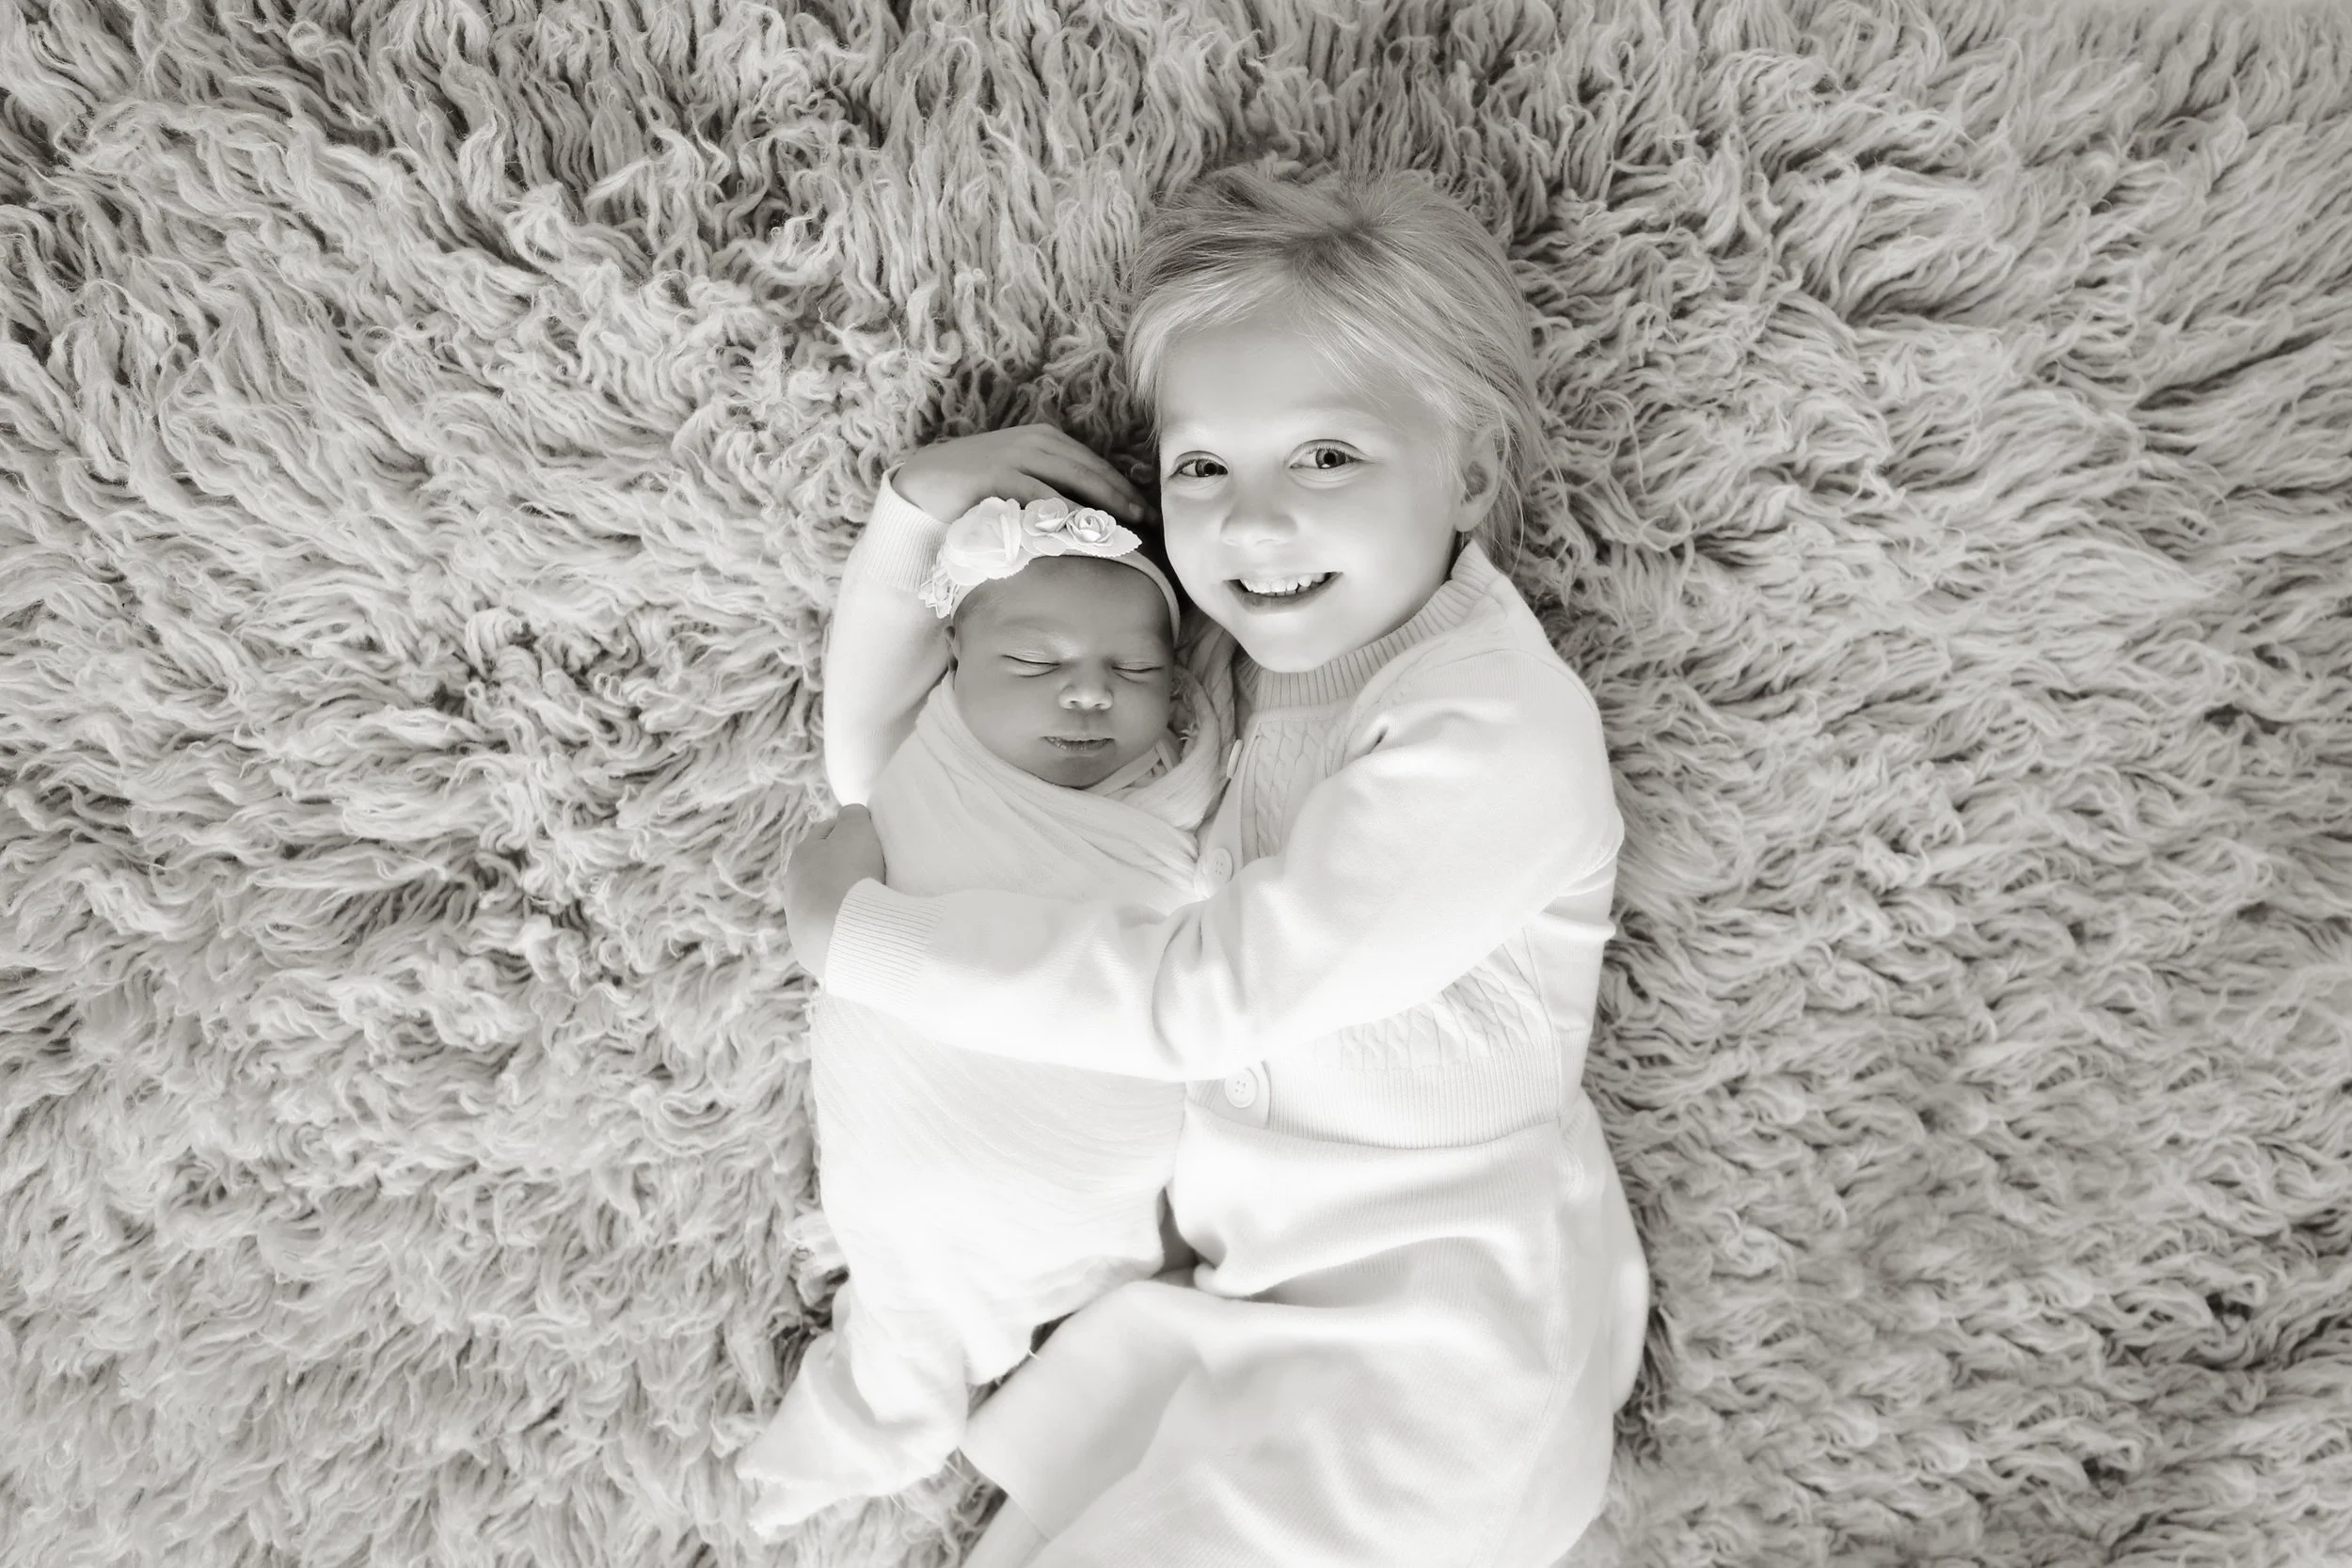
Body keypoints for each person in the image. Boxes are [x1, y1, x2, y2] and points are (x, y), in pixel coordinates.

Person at [780, 159, 1651, 1568]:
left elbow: (1209, 997)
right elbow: (910, 748)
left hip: (1425, 1347)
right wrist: (918, 509)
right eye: (1203, 468)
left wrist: (863, 943)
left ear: (1471, 467)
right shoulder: (1245, 669)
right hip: (1257, 1299)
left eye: (1326, 457)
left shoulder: (1492, 728)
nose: (1252, 525)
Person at [735, 491, 1228, 1536]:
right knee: (911, 1332)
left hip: (1119, 1192)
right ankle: (862, 1434)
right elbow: (878, 622)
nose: (1090, 692)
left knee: (1157, 1366)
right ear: (954, 650)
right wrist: (923, 494)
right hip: (927, 1170)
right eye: (1033, 663)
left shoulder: (1184, 790)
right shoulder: (899, 754)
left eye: (1135, 670)